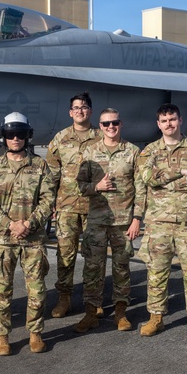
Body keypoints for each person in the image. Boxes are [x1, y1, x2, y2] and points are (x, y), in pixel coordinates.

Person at [137, 103, 187, 339]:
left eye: (172, 119)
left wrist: (166, 180)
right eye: (164, 121)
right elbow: (147, 177)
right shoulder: (150, 150)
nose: (169, 124)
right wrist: (182, 173)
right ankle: (156, 317)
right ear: (158, 124)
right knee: (156, 272)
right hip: (158, 223)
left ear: (180, 120)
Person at [0, 112, 55, 355]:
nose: (15, 138)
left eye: (20, 134)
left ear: (27, 136)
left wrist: (30, 224)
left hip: (32, 240)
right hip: (4, 241)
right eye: (11, 134)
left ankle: (35, 333)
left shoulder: (39, 165)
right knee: (1, 290)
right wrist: (10, 224)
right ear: (3, 136)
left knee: (37, 290)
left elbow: (47, 199)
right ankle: (2, 336)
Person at [74, 108, 145, 332]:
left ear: (121, 124)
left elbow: (141, 188)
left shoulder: (133, 152)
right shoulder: (90, 151)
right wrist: (97, 187)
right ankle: (91, 312)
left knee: (121, 268)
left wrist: (137, 219)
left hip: (123, 221)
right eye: (106, 124)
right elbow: (80, 185)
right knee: (92, 268)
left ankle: (121, 312)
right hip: (96, 220)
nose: (110, 127)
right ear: (100, 126)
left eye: (114, 123)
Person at [45, 92, 99, 318]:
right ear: (70, 112)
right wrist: (49, 204)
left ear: (90, 111)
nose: (80, 111)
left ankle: (92, 300)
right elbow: (51, 175)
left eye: (84, 107)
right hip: (66, 207)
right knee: (65, 255)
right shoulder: (60, 138)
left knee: (93, 256)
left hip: (95, 207)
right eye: (76, 107)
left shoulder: (101, 137)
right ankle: (64, 298)